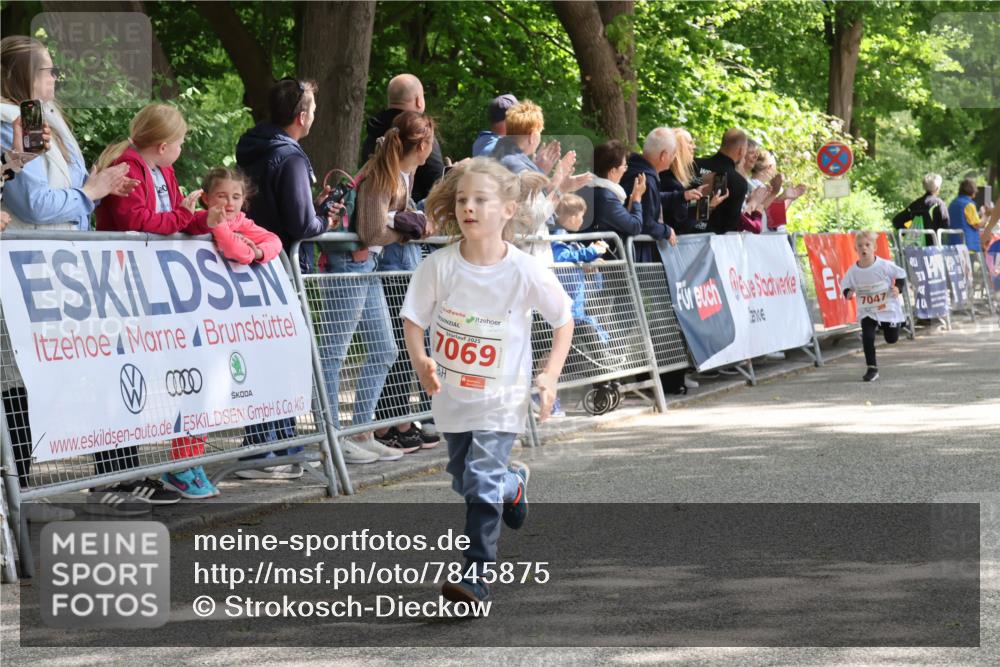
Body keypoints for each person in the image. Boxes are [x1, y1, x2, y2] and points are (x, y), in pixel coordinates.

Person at [1, 36, 176, 517]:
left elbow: (67, 192)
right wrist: (90, 192)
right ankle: (19, 497)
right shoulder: (8, 122)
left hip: (69, 268)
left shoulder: (44, 119)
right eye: (47, 71)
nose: (56, 78)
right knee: (22, 386)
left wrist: (99, 188)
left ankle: (104, 479)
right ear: (22, 78)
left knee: (85, 370)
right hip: (33, 273)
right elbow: (30, 202)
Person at [402, 157, 573, 605]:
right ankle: (512, 484)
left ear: (508, 211)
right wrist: (421, 360)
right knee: (465, 478)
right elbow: (414, 319)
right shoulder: (438, 266)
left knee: (479, 479)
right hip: (453, 400)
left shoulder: (523, 270)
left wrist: (550, 375)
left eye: (481, 200)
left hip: (502, 399)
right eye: (462, 199)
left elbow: (563, 319)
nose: (468, 208)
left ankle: (475, 577)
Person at [94, 103, 226, 499]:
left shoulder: (163, 170)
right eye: (182, 142)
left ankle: (135, 470)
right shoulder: (128, 166)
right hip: (125, 282)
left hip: (154, 284)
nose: (183, 149)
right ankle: (115, 472)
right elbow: (139, 221)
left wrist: (206, 220)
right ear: (165, 145)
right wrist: (186, 220)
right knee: (122, 375)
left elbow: (176, 215)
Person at [319, 111, 436, 463]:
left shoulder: (401, 173)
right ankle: (328, 437)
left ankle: (361, 429)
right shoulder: (385, 175)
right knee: (333, 354)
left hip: (366, 266)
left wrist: (404, 224)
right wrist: (407, 230)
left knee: (385, 349)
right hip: (351, 264)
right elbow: (371, 231)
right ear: (423, 145)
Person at [235, 77, 338, 477]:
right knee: (279, 354)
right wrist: (323, 219)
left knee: (270, 353)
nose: (314, 115)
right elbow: (299, 222)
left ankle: (275, 439)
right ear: (301, 115)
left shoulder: (253, 146)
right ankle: (265, 448)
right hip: (281, 265)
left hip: (255, 263)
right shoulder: (291, 157)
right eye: (312, 109)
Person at [550, 194, 620, 367]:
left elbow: (576, 261)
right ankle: (606, 365)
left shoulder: (567, 238)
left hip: (575, 308)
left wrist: (591, 262)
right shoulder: (557, 237)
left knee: (590, 332)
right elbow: (562, 258)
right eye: (582, 216)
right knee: (586, 337)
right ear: (573, 216)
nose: (583, 221)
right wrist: (591, 251)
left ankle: (606, 367)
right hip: (567, 310)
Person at [361, 74, 443, 202]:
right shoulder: (420, 134)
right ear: (418, 101)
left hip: (371, 203)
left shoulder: (373, 132)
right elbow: (437, 183)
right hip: (413, 215)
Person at [841, 231, 907, 382]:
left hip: (886, 307)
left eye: (867, 245)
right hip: (868, 309)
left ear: (874, 247)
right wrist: (848, 293)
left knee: (891, 339)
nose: (864, 248)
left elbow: (901, 274)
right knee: (868, 336)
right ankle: (872, 368)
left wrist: (899, 288)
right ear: (855, 249)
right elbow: (845, 285)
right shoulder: (853, 271)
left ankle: (895, 324)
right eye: (860, 246)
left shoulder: (884, 265)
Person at [620, 127, 678, 262]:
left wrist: (682, 196)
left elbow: (652, 201)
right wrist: (666, 231)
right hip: (637, 256)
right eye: (673, 153)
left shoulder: (631, 169)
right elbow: (645, 223)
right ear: (663, 155)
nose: (674, 158)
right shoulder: (647, 180)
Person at [580, 139, 644, 252]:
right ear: (613, 171)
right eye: (624, 166)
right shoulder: (606, 197)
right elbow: (635, 227)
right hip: (600, 262)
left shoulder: (586, 188)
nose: (625, 170)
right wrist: (637, 199)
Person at [696, 129, 749, 235]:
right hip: (714, 244)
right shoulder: (739, 182)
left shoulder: (695, 165)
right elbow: (730, 226)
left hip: (680, 237)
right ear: (741, 150)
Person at [893, 173, 950, 238]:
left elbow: (896, 221)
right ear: (937, 188)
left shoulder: (915, 204)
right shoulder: (939, 204)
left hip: (916, 245)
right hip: (935, 244)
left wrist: (908, 233)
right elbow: (946, 224)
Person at [947, 177, 990, 252]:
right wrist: (986, 215)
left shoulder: (953, 203)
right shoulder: (969, 205)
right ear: (972, 191)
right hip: (968, 245)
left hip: (954, 244)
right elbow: (977, 225)